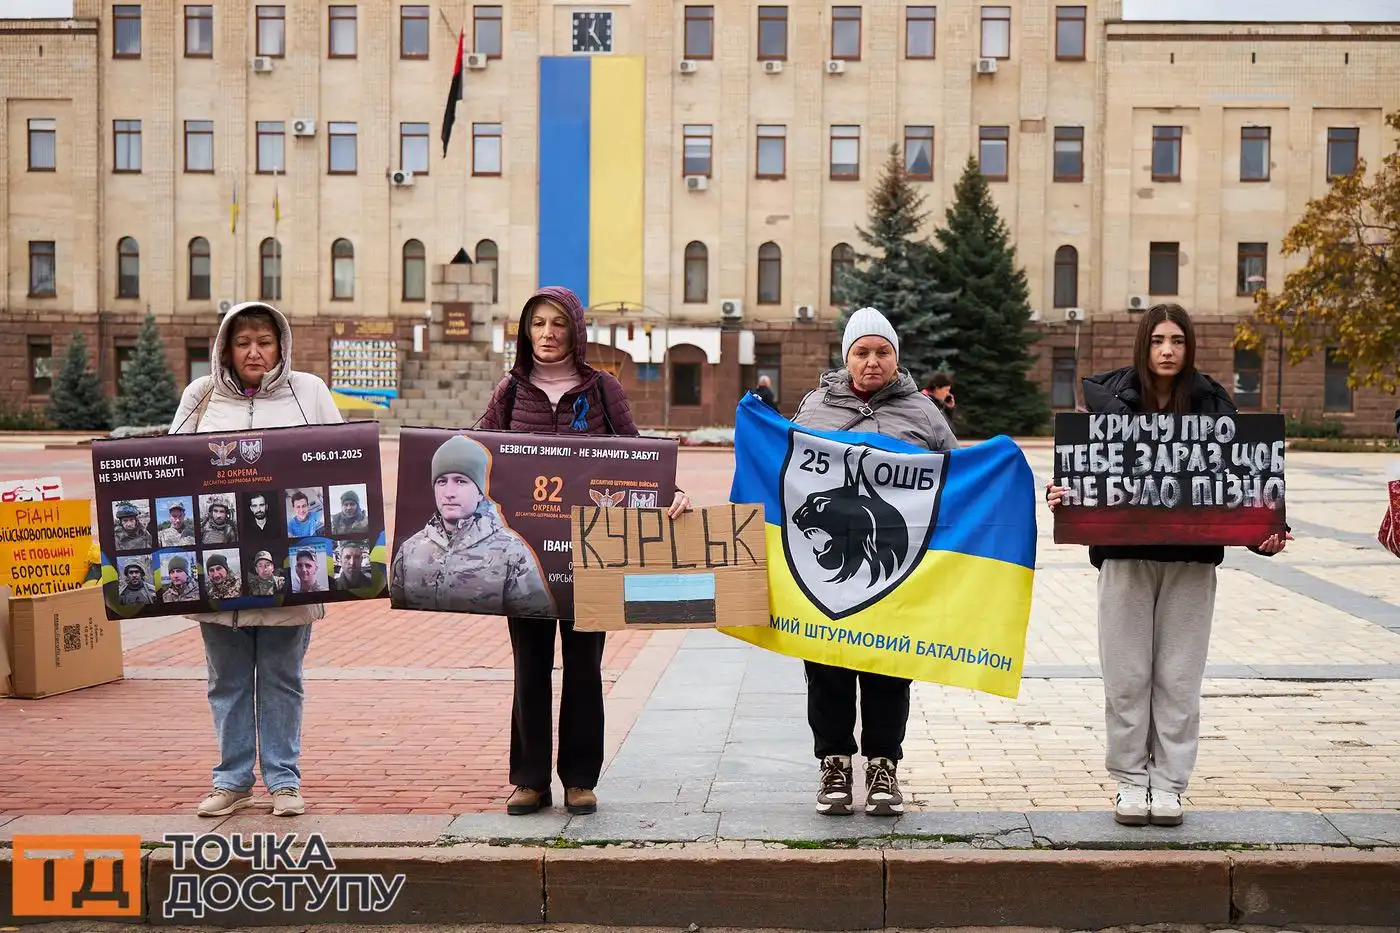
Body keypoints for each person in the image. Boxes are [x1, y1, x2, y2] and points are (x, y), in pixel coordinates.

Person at [1045, 303, 1291, 828]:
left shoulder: (1213, 404)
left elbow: (1236, 481)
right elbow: (1089, 472)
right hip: (1124, 561)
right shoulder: (1107, 403)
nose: (1167, 350)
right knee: (1126, 677)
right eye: (1158, 339)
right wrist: (1065, 495)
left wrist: (1260, 536)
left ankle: (1170, 784)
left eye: (1177, 340)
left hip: (1191, 563)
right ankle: (1130, 782)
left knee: (1178, 678)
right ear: (1143, 344)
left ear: (1189, 347)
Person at [477, 285, 692, 817]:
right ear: (526, 333)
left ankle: (578, 779)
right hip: (524, 556)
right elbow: (478, 451)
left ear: (576, 331)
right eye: (538, 324)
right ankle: (528, 780)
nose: (548, 334)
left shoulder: (602, 391)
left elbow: (636, 453)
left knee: (583, 665)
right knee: (529, 665)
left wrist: (671, 491)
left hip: (589, 555)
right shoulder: (509, 391)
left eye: (558, 324)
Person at [169, 300, 342, 819]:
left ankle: (284, 782)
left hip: (288, 572)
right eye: (243, 342)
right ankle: (232, 780)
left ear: (281, 345)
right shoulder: (201, 396)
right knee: (227, 680)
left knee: (282, 678)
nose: (254, 352)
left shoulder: (307, 391)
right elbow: (172, 465)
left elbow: (340, 462)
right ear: (226, 347)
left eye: (264, 341)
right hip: (219, 573)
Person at [789, 306, 957, 817]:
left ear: (896, 357)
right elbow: (783, 469)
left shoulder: (924, 414)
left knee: (889, 670)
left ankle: (884, 764)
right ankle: (834, 763)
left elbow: (960, 475)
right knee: (827, 668)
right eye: (861, 352)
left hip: (895, 569)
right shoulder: (816, 407)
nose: (872, 361)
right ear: (846, 358)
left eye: (882, 351)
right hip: (826, 575)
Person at [391, 435, 554, 615]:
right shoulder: (410, 550)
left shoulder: (511, 552)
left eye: (461, 481)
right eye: (441, 481)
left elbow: (535, 622)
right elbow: (398, 616)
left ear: (479, 492)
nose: (449, 493)